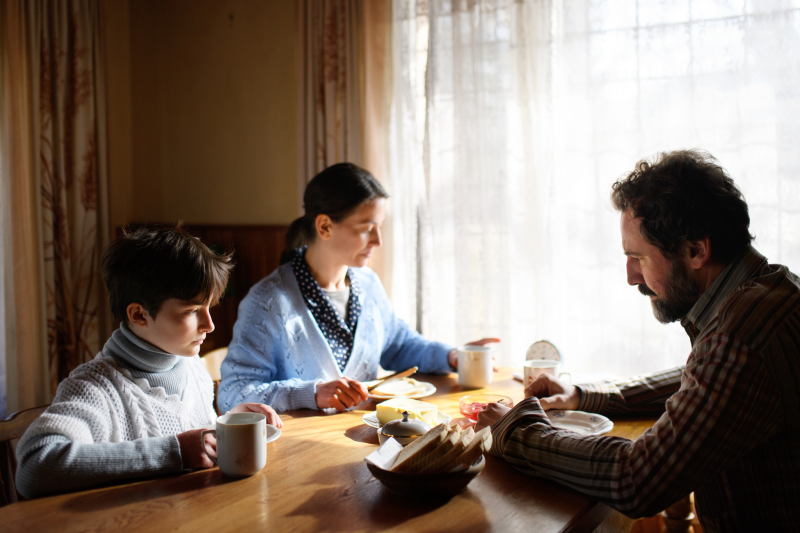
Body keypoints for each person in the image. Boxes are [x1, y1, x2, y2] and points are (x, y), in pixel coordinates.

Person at [476, 150, 800, 532]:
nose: (631, 277)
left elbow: (638, 478)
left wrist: (517, 430)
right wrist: (585, 394)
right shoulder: (772, 292)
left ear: (696, 250)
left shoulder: (740, 337)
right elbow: (701, 380)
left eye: (638, 258)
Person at [15, 227, 283, 498]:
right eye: (192, 311)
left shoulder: (192, 367)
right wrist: (174, 452)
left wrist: (228, 425)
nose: (210, 325)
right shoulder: (95, 388)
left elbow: (196, 446)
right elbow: (34, 467)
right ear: (139, 315)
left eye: (209, 308)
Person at [218, 163, 498, 413]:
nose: (378, 241)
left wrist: (450, 356)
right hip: (300, 456)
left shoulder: (367, 284)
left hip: (365, 442)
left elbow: (399, 345)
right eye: (367, 228)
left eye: (380, 227)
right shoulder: (268, 302)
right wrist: (312, 394)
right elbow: (232, 394)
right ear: (325, 226)